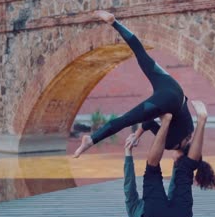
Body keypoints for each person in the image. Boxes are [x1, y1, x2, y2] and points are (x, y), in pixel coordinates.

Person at [74, 10, 194, 158]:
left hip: (174, 87)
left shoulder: (190, 129)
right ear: (180, 152)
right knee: (125, 120)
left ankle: (114, 22)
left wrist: (138, 134)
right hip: (167, 100)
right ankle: (91, 140)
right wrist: (138, 135)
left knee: (141, 53)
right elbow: (149, 122)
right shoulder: (171, 144)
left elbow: (153, 121)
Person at [123, 101, 215, 217]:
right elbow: (129, 186)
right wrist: (128, 152)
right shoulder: (137, 206)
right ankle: (173, 121)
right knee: (152, 169)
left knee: (178, 171)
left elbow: (129, 185)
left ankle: (201, 121)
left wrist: (128, 154)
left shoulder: (134, 208)